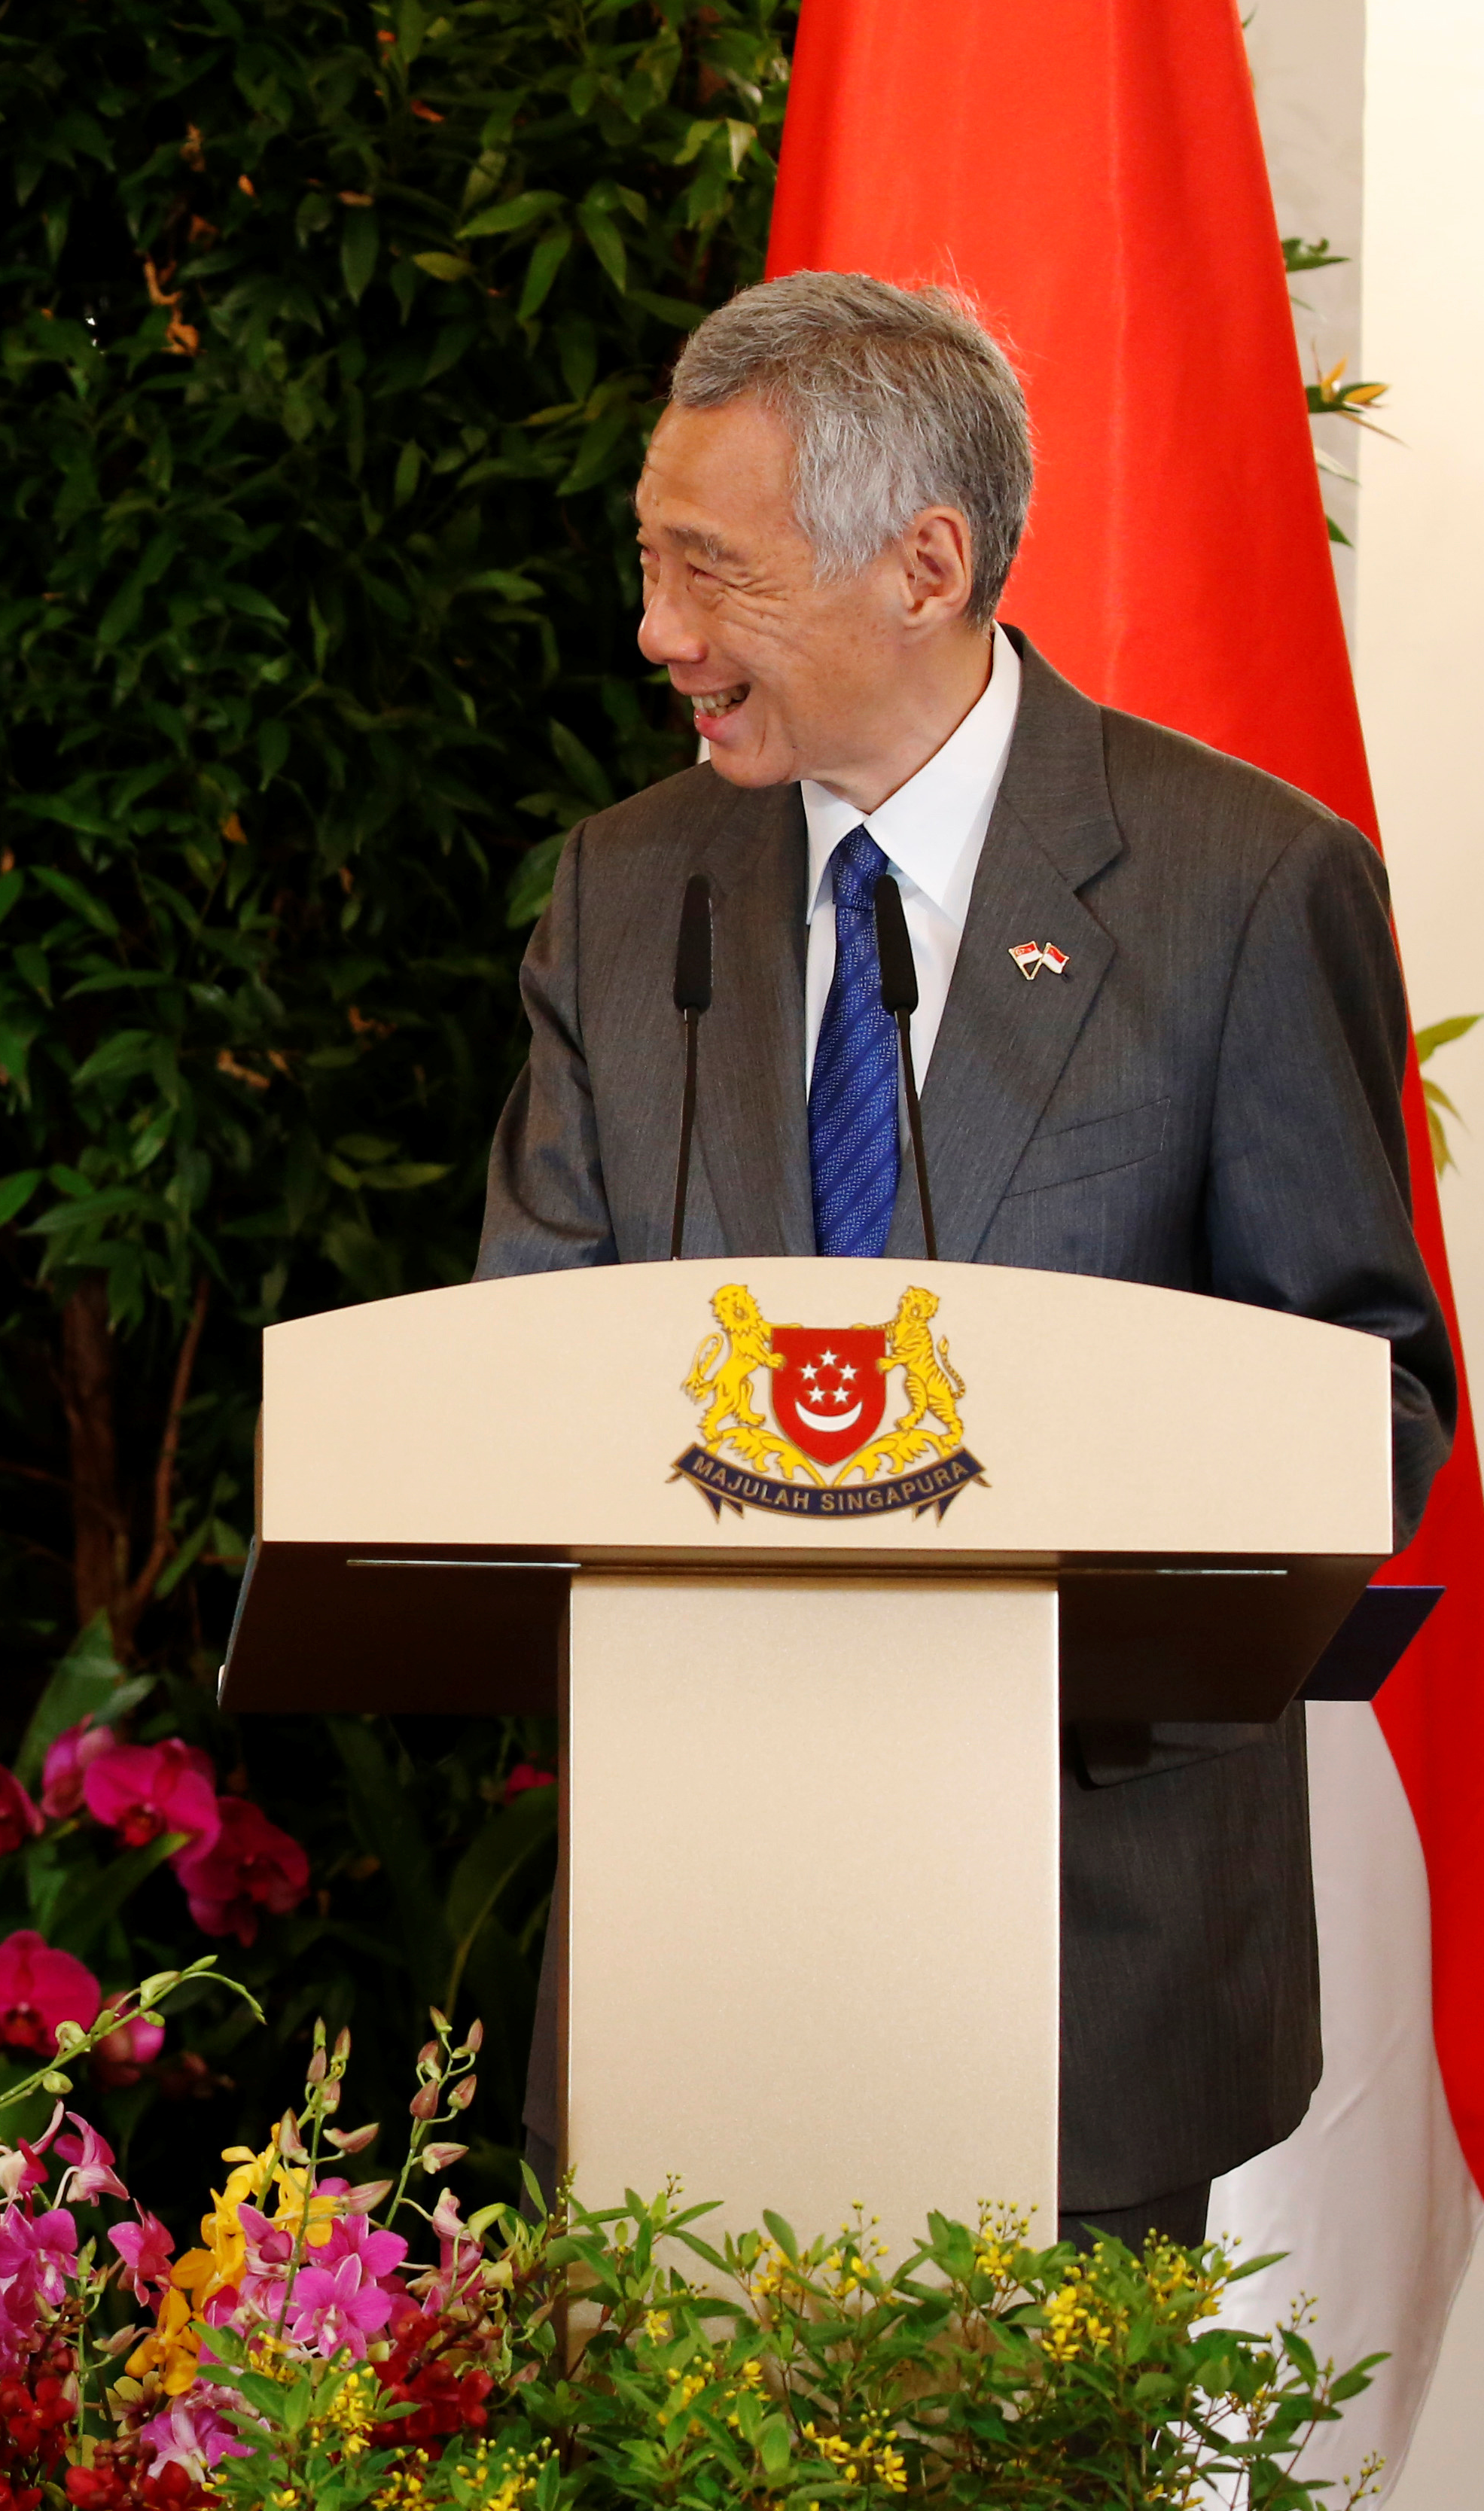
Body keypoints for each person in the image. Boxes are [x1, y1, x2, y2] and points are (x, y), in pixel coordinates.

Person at [479, 271, 1456, 2245]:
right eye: (649, 566)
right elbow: (523, 1367)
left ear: (924, 564)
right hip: (701, 1950)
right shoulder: (624, 885)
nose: (659, 634)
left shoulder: (1249, 892)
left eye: (710, 574)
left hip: (1084, 1969)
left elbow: (1369, 1399)